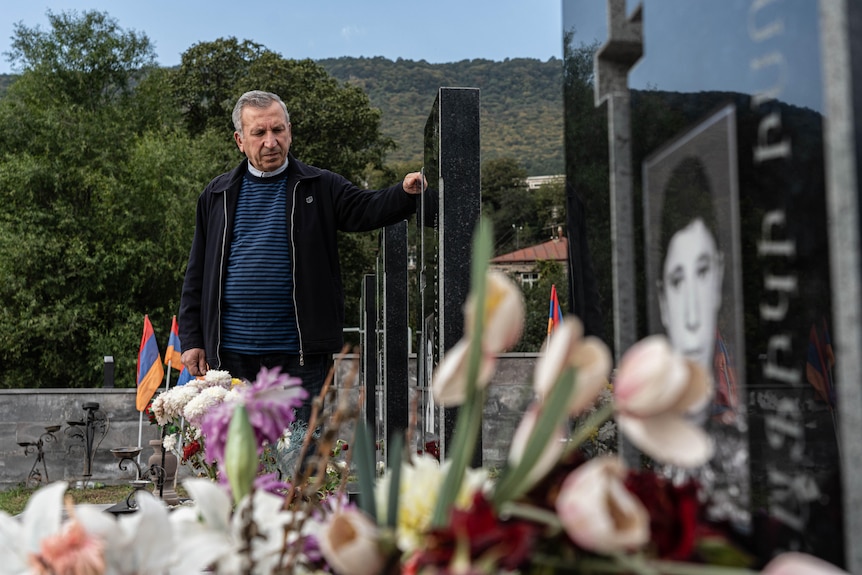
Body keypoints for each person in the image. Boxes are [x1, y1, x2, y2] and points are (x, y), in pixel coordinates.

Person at [179, 90, 426, 424]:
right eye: (259, 133)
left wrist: (403, 193)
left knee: (298, 455)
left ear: (289, 132)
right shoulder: (216, 194)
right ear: (240, 140)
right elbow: (197, 273)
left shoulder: (319, 186)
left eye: (278, 130)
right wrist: (192, 339)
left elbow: (366, 209)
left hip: (300, 356)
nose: (271, 141)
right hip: (231, 354)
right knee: (239, 455)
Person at [657, 155, 738, 423]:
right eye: (678, 281)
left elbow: (725, 398)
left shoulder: (712, 339)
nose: (692, 315)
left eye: (702, 273)